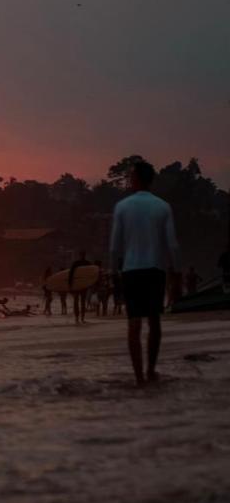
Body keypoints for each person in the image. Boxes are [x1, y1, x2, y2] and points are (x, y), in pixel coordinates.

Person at [109, 161, 179, 387]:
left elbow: (114, 247)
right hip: (155, 269)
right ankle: (150, 370)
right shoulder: (163, 206)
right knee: (154, 321)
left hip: (131, 269)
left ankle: (138, 376)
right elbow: (172, 245)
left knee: (134, 322)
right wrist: (175, 272)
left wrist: (113, 272)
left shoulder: (122, 206)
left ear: (136, 179)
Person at [68, 251, 92, 325]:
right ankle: (78, 318)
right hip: (78, 285)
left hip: (82, 285)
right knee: (77, 302)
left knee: (81, 302)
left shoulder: (80, 263)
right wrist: (70, 285)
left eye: (83, 254)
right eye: (82, 254)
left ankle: (81, 318)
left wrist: (70, 285)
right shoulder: (81, 263)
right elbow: (71, 274)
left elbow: (90, 274)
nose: (82, 256)